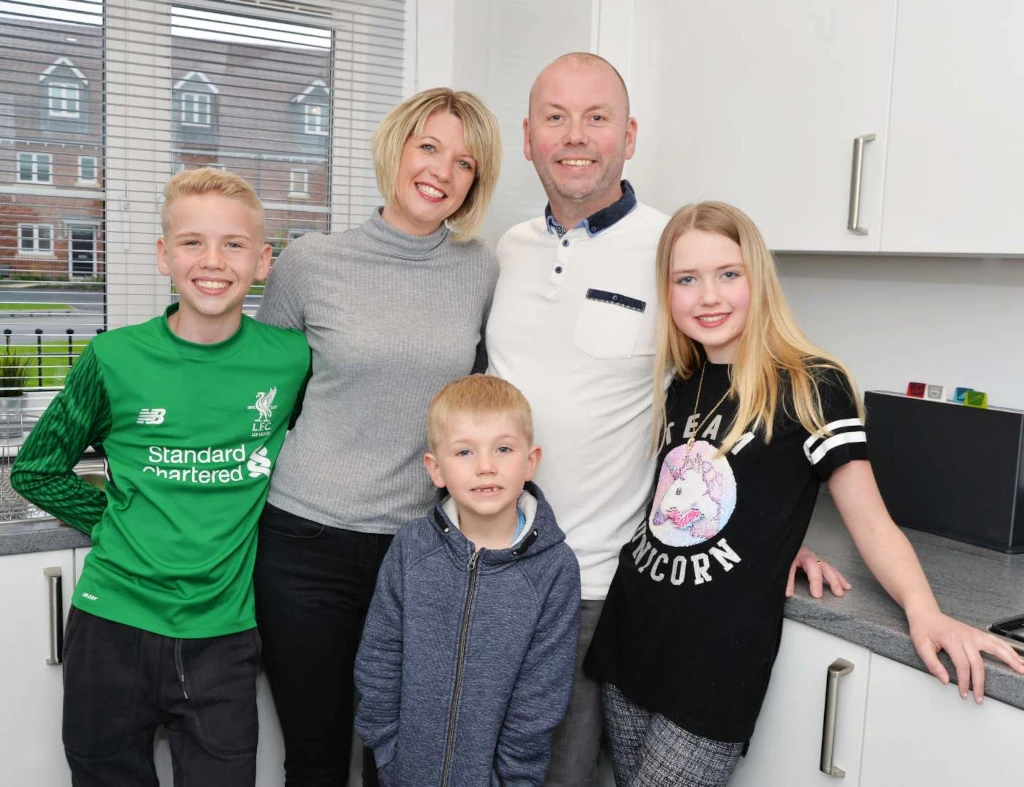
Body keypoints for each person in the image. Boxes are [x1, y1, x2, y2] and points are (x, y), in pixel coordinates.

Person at [484, 52, 844, 786]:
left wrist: (774, 526)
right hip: (492, 563)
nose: (575, 135)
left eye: (596, 117)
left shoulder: (671, 252)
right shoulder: (508, 250)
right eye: (555, 117)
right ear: (527, 138)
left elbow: (725, 401)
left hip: (593, 583)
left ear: (629, 135)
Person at [582, 201, 1024, 786]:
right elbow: (694, 497)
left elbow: (871, 521)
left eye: (728, 274)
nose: (708, 296)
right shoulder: (682, 379)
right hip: (631, 630)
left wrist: (926, 612)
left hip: (713, 665)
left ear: (759, 278)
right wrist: (774, 536)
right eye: (686, 279)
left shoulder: (810, 383)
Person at [10, 168, 310, 787]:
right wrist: (115, 522)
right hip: (110, 627)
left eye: (233, 244)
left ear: (262, 261)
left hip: (224, 635)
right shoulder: (113, 357)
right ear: (163, 255)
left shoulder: (291, 361)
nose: (213, 260)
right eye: (192, 241)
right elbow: (37, 469)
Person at [252, 87, 503, 786]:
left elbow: (480, 402)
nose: (442, 171)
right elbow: (263, 398)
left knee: (403, 758)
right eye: (429, 147)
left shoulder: (481, 269)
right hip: (304, 541)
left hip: (422, 547)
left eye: (464, 162)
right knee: (316, 755)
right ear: (396, 149)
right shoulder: (311, 262)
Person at [354, 374, 580, 785]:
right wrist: (387, 753)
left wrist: (511, 779)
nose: (486, 466)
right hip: (402, 774)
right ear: (436, 469)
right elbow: (379, 657)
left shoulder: (554, 568)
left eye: (503, 449)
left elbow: (541, 697)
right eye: (464, 452)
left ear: (530, 461)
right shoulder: (412, 548)